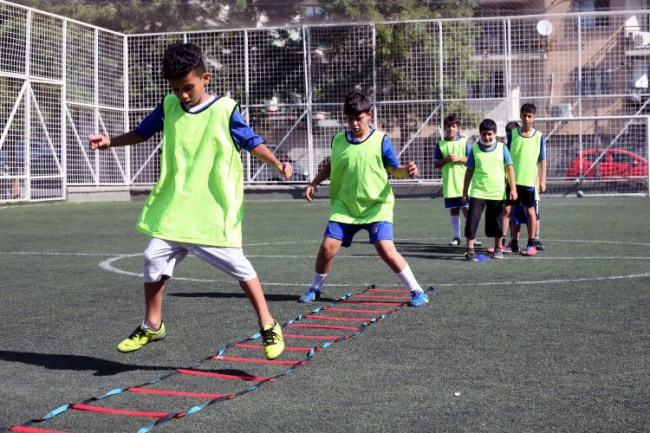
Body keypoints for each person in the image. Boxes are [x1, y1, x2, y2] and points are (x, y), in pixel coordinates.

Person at [88, 42, 290, 360]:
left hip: (211, 212)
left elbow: (252, 142)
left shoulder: (225, 110)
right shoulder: (169, 105)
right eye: (175, 88)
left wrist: (277, 163)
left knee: (239, 267)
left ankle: (268, 323)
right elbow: (142, 132)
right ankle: (152, 325)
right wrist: (110, 141)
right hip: (177, 209)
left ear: (205, 78)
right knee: (153, 257)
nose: (182, 95)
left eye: (188, 87)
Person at [299, 89, 429, 307]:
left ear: (369, 115)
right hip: (345, 206)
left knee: (385, 248)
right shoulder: (338, 140)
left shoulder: (381, 140)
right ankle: (315, 288)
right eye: (349, 119)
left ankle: (417, 291)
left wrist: (406, 171)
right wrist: (314, 182)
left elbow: (394, 169)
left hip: (376, 206)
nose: (354, 123)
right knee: (327, 248)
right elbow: (332, 163)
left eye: (358, 118)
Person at [462, 119, 516, 261]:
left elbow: (510, 168)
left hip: (497, 192)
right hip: (478, 192)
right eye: (484, 134)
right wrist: (464, 192)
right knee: (472, 221)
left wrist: (513, 189)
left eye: (490, 134)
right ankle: (470, 250)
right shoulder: (475, 149)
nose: (487, 137)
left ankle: (498, 248)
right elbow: (469, 171)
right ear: (480, 134)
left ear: (495, 133)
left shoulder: (502, 148)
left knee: (497, 223)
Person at [502, 103, 546, 257]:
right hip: (513, 181)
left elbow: (542, 160)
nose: (526, 119)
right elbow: (506, 157)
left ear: (534, 117)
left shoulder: (539, 136)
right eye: (524, 116)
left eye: (529, 116)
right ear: (520, 116)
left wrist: (543, 180)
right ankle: (507, 243)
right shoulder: (513, 135)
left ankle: (531, 243)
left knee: (530, 212)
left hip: (528, 182)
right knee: (509, 212)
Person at [433, 113, 481, 247]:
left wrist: (458, 158)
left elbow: (472, 159)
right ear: (444, 128)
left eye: (453, 126)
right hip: (450, 184)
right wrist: (446, 159)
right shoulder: (440, 145)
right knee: (454, 210)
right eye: (448, 126)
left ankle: (471, 236)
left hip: (464, 184)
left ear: (458, 128)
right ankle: (456, 237)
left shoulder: (464, 143)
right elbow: (436, 164)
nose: (450, 129)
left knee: (467, 211)